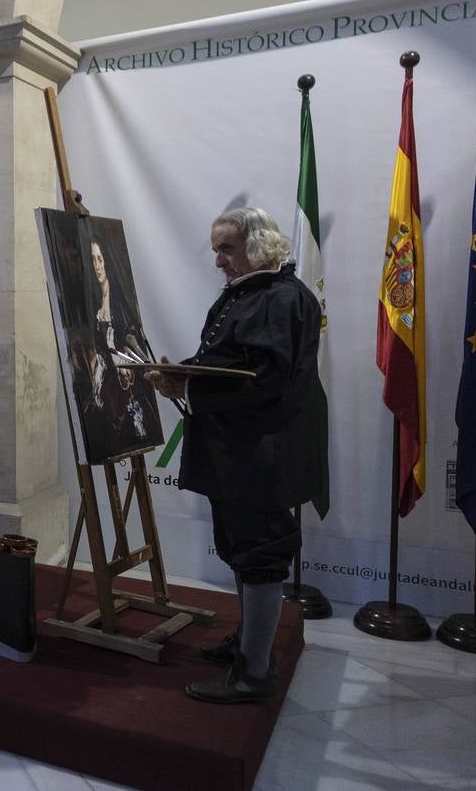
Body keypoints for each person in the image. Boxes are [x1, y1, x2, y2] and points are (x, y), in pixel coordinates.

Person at [148, 208, 325, 704]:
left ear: (259, 245)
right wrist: (185, 374)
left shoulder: (279, 298)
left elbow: (262, 380)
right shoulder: (252, 293)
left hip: (260, 455)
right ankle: (249, 645)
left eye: (226, 248)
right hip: (239, 453)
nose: (219, 261)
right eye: (216, 250)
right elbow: (229, 363)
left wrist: (189, 388)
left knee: (260, 552)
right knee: (242, 547)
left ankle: (253, 673)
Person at [76, 234, 158, 461]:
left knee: (135, 430)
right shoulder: (92, 302)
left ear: (107, 261)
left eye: (100, 259)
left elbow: (133, 343)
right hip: (108, 386)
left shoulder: (120, 301)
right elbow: (95, 350)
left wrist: (117, 352)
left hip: (128, 383)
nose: (97, 265)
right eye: (93, 260)